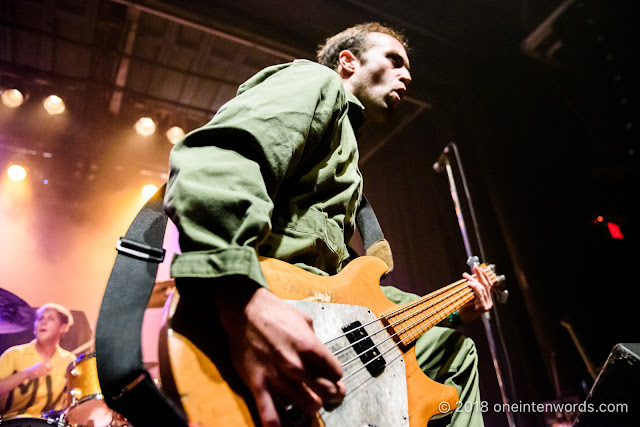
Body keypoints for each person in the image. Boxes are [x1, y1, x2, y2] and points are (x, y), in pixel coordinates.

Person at [164, 22, 493, 427]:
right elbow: (220, 161)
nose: (406, 75)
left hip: (323, 318)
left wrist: (457, 309)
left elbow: (356, 297)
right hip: (262, 302)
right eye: (393, 60)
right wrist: (240, 294)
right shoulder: (316, 81)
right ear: (348, 61)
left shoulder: (346, 161)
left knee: (454, 352)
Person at [0, 302, 76, 420]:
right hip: (11, 422)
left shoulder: (69, 361)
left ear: (63, 327)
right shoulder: (14, 354)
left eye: (51, 318)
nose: (43, 322)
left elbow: (74, 403)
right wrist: (25, 374)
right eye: (40, 318)